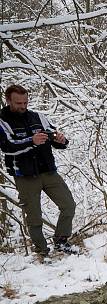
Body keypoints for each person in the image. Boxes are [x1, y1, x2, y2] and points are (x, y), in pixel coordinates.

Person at [0, 84, 76, 257]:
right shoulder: (2, 122)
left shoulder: (38, 117)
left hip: (48, 171)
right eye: (18, 103)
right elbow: (7, 147)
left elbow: (53, 138)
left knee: (68, 205)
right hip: (24, 175)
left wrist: (61, 140)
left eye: (25, 102)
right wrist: (31, 141)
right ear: (8, 100)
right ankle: (42, 251)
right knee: (34, 217)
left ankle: (61, 241)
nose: (23, 106)